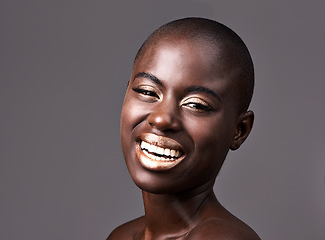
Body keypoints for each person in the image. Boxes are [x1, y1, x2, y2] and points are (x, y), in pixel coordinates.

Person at [107, 17, 260, 240]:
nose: (162, 119)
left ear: (239, 130)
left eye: (196, 105)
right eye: (148, 92)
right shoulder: (122, 236)